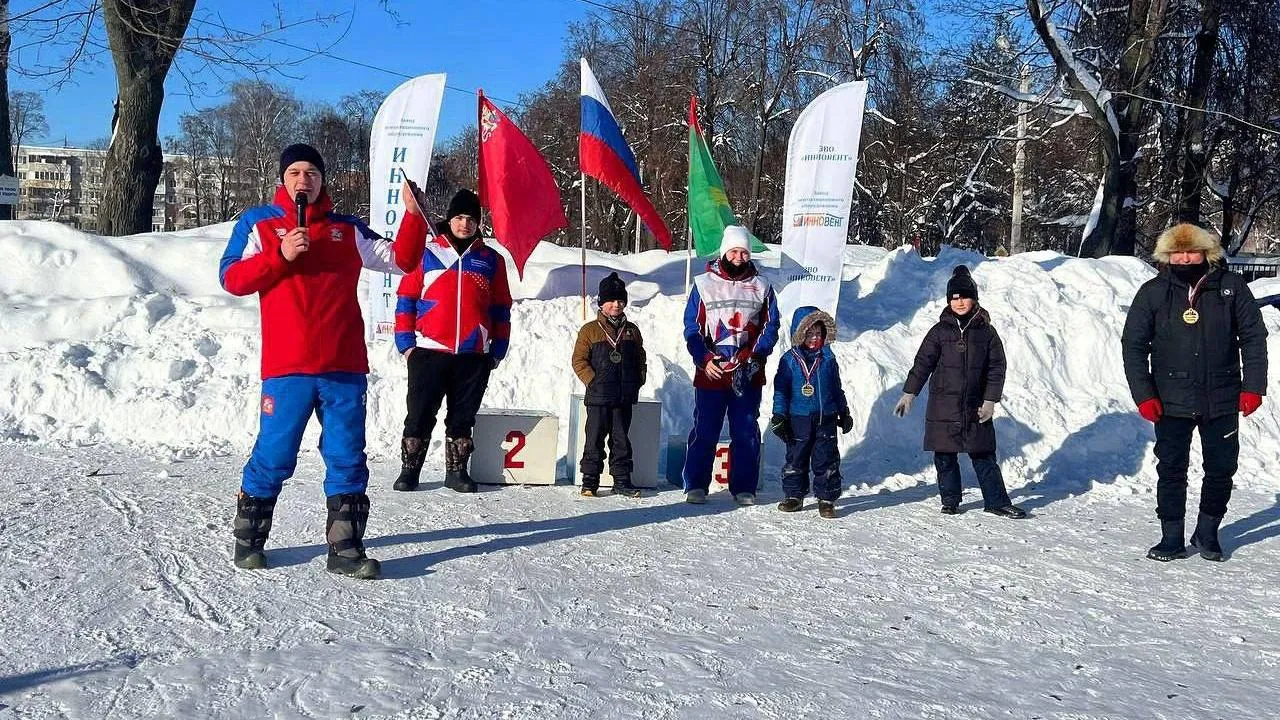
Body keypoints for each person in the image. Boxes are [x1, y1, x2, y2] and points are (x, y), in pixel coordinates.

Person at [219, 143, 425, 579]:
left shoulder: (346, 229)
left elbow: (403, 261)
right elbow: (231, 278)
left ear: (322, 180)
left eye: (312, 172)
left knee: (347, 455)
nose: (303, 180)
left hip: (343, 367)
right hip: (287, 368)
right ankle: (249, 539)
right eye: (295, 172)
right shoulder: (258, 224)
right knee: (274, 454)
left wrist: (412, 215)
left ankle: (345, 547)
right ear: (283, 179)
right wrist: (280, 255)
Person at [1121, 223, 1268, 562]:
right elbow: (1133, 345)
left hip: (1222, 396)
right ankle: (1171, 537)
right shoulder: (1153, 292)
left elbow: (1253, 337)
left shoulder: (1230, 287)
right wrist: (1144, 394)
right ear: (1167, 256)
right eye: (1177, 253)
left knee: (1221, 467)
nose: (1185, 258)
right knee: (1172, 469)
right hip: (1170, 398)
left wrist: (1253, 386)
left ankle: (1207, 532)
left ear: (1206, 252)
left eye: (1191, 251)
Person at [392, 188, 513, 493]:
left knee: (462, 417)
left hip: (473, 353)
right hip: (429, 351)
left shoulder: (491, 259)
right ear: (449, 219)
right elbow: (406, 298)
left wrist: (497, 349)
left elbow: (501, 307)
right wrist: (406, 344)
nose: (464, 224)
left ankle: (457, 472)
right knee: (419, 413)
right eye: (459, 217)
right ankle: (410, 470)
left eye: (471, 219)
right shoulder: (427, 253)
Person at [893, 265, 1026, 519]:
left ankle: (996, 501)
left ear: (974, 298)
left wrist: (990, 400)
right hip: (943, 407)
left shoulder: (986, 332)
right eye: (954, 298)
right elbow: (922, 363)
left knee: (983, 454)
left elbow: (997, 368)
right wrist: (910, 393)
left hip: (975, 405)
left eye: (964, 296)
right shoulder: (939, 332)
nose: (960, 302)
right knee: (944, 456)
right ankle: (950, 500)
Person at [681, 225, 781, 506]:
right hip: (712, 371)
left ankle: (744, 486)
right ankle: (696, 484)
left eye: (744, 252)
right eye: (734, 251)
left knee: (746, 430)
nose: (739, 257)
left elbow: (771, 325)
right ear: (725, 252)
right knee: (705, 428)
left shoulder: (763, 286)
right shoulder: (704, 284)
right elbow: (692, 327)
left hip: (747, 372)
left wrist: (755, 357)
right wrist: (704, 359)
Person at [769, 307, 854, 518]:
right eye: (809, 334)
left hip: (825, 417)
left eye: (818, 333)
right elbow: (781, 391)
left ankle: (826, 499)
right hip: (798, 418)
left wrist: (844, 411)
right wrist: (779, 415)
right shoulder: (789, 360)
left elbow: (836, 388)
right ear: (800, 334)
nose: (815, 338)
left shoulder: (828, 359)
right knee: (796, 458)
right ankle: (794, 495)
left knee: (826, 459)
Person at [571, 272, 647, 498]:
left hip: (623, 397)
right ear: (601, 303)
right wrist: (593, 381)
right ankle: (589, 481)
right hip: (598, 397)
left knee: (621, 440)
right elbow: (579, 361)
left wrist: (638, 380)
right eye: (611, 300)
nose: (616, 304)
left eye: (620, 300)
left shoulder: (632, 330)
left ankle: (622, 481)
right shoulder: (590, 330)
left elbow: (641, 358)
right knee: (594, 440)